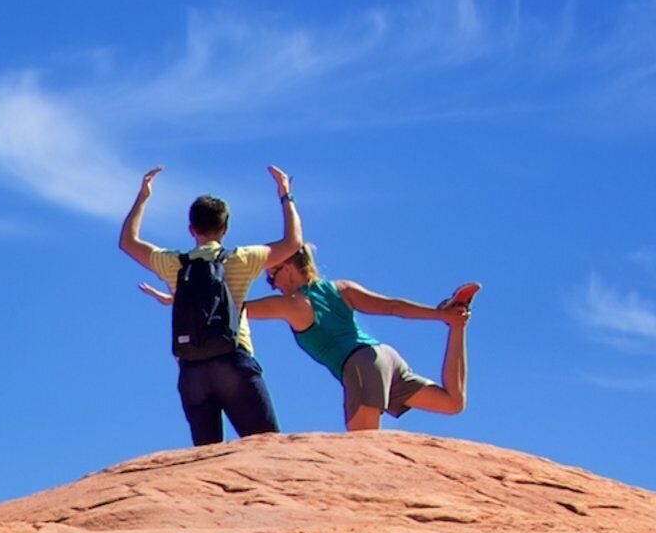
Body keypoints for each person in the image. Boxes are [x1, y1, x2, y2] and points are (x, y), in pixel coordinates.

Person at [119, 165, 303, 445]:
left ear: (191, 229)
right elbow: (293, 243)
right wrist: (285, 195)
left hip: (192, 370)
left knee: (207, 456)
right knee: (267, 449)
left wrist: (143, 197)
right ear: (225, 228)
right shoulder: (241, 258)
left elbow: (127, 242)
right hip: (234, 362)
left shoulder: (173, 264)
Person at [244, 225, 478, 431]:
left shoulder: (292, 304)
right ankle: (456, 324)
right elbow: (392, 307)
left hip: (361, 365)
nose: (273, 286)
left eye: (271, 278)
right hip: (385, 357)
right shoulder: (341, 288)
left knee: (362, 446)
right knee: (452, 402)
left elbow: (235, 310)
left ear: (286, 267)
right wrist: (441, 315)